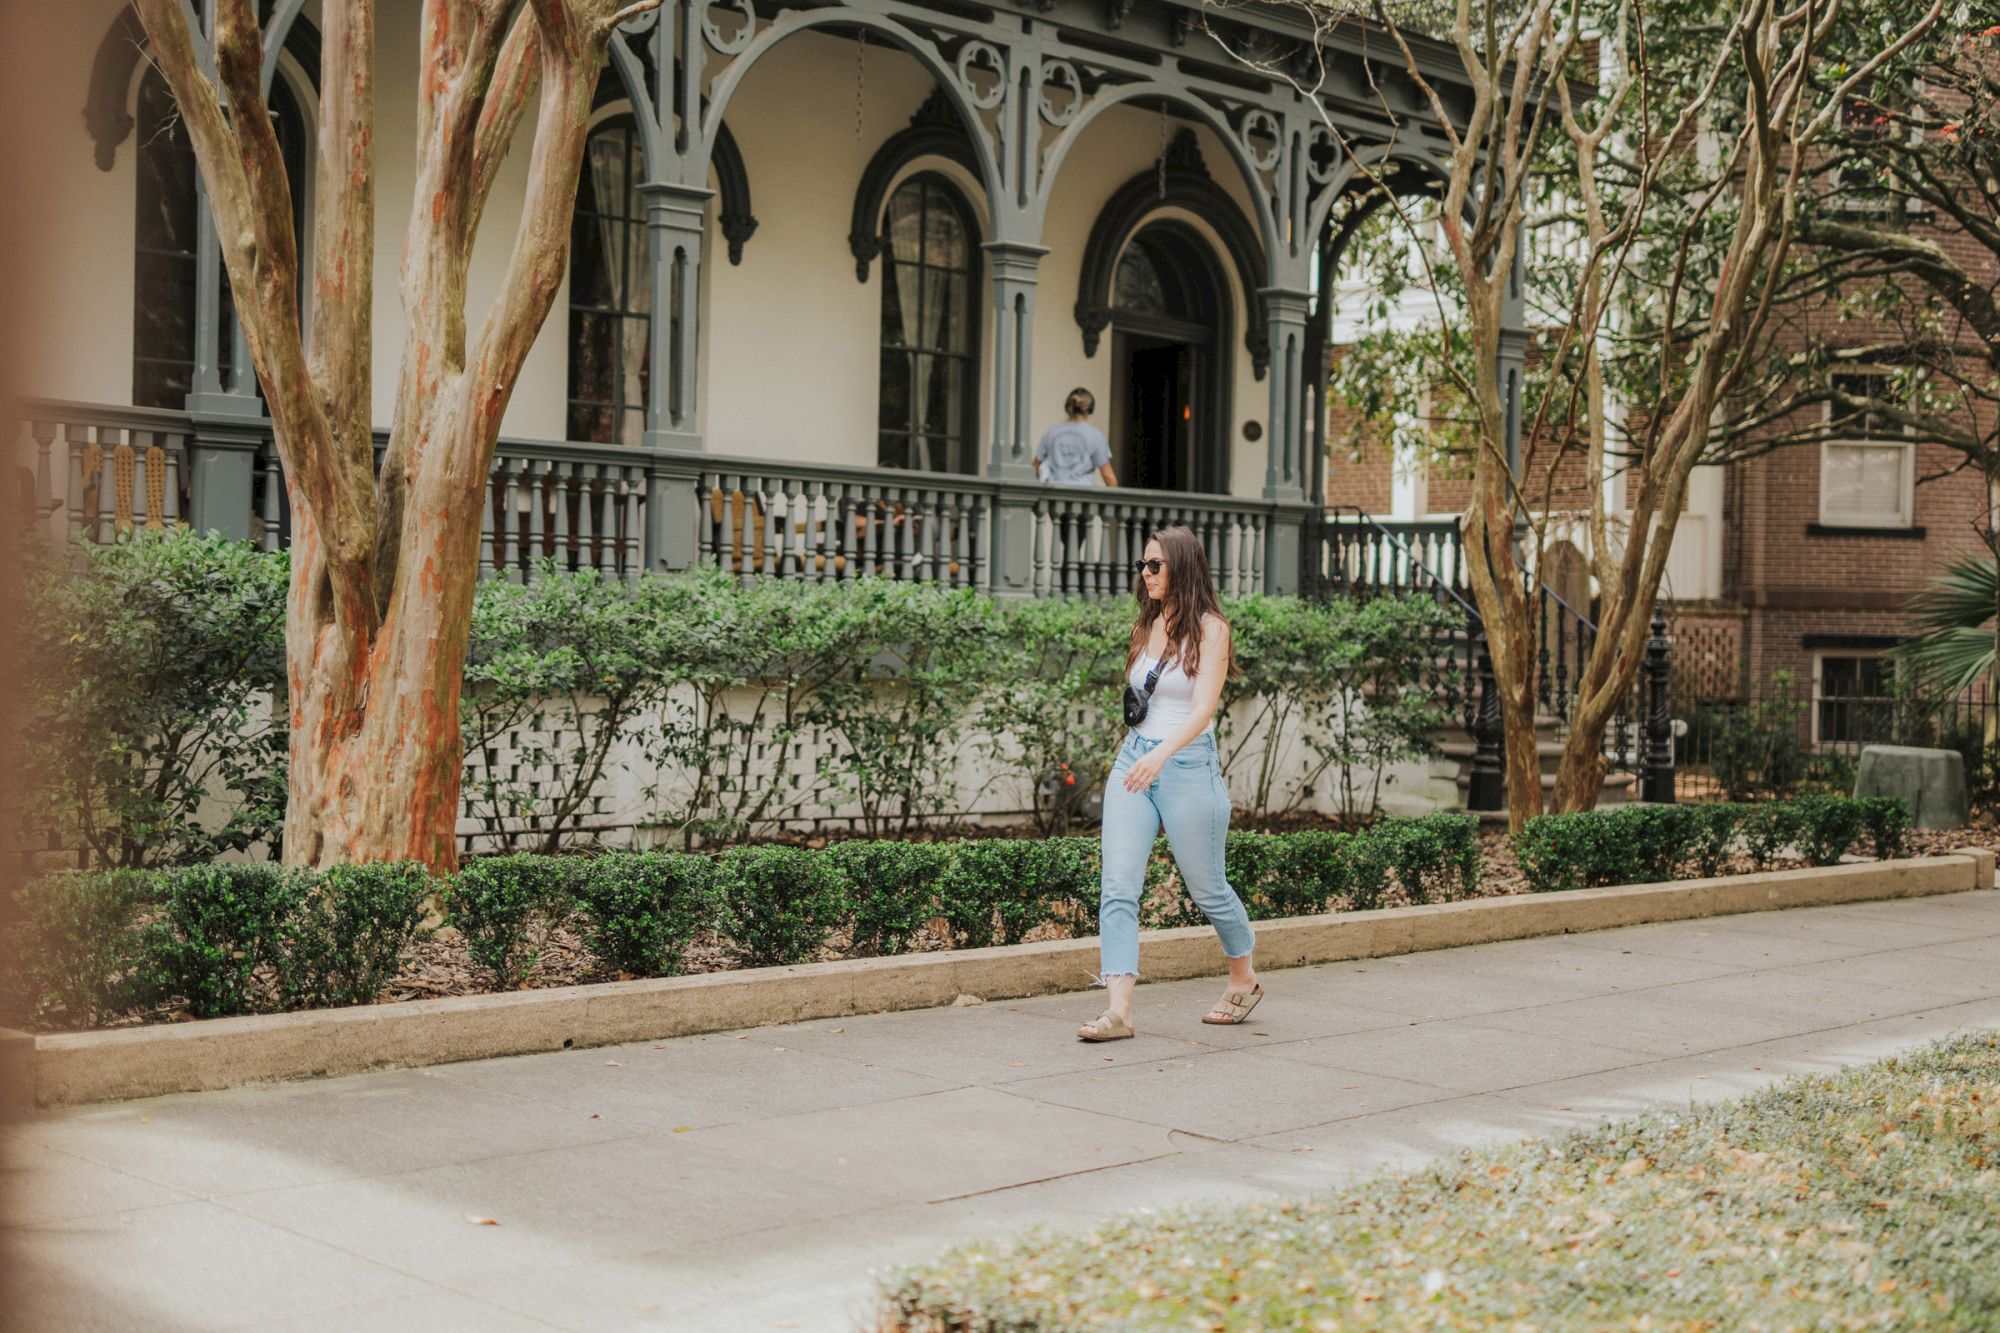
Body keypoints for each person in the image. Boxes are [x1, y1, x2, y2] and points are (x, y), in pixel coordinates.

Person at [1078, 525, 1261, 1041]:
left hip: (1185, 768)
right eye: (1142, 565)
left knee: (1208, 888)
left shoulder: (1212, 630)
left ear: (1181, 567)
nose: (1145, 574)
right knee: (1117, 885)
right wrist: (1142, 751)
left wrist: (1161, 754)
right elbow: (1143, 700)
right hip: (1134, 764)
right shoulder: (1148, 623)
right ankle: (1119, 1010)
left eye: (1154, 565)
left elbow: (1202, 710)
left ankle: (1243, 977)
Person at [1034, 388, 1118, 487]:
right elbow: (1107, 474)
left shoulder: (1050, 433)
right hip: (1082, 498)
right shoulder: (1096, 436)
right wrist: (1119, 498)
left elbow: (1035, 465)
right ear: (1090, 410)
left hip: (1054, 497)